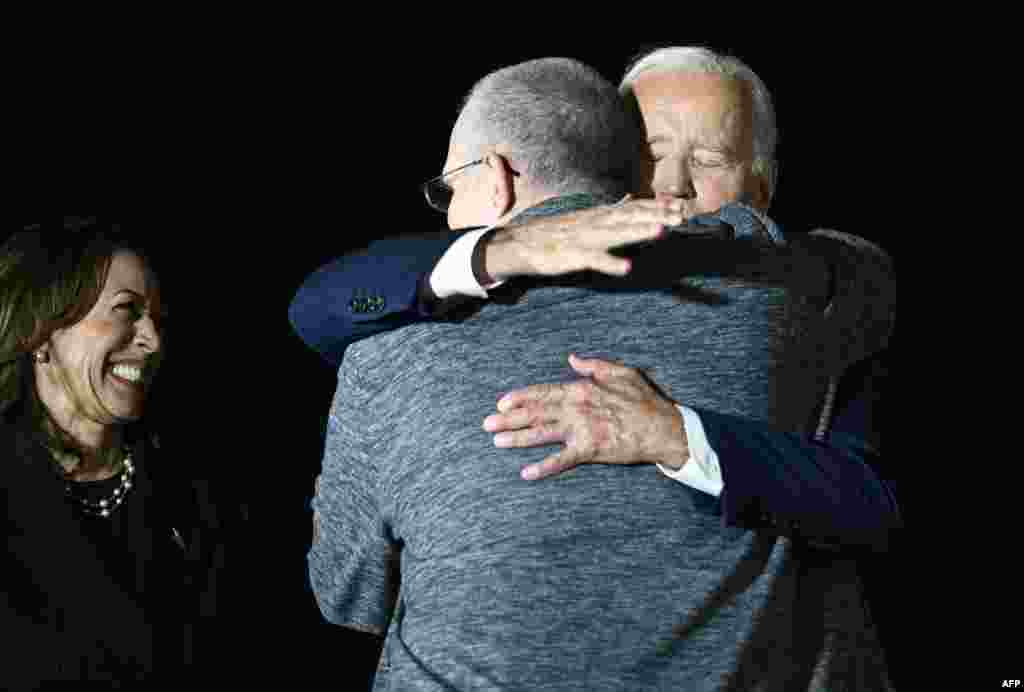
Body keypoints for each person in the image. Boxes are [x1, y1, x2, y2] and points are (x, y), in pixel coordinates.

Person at [309, 57, 893, 690]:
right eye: (650, 153)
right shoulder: (409, 311)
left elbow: (871, 500)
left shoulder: (801, 298)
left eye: (710, 161)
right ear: (605, 159)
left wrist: (680, 436)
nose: (671, 188)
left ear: (764, 187)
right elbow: (329, 300)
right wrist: (510, 247)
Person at [1, 220, 228, 687]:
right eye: (127, 310)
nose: (153, 339)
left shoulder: (196, 489)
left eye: (157, 319)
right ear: (42, 334)